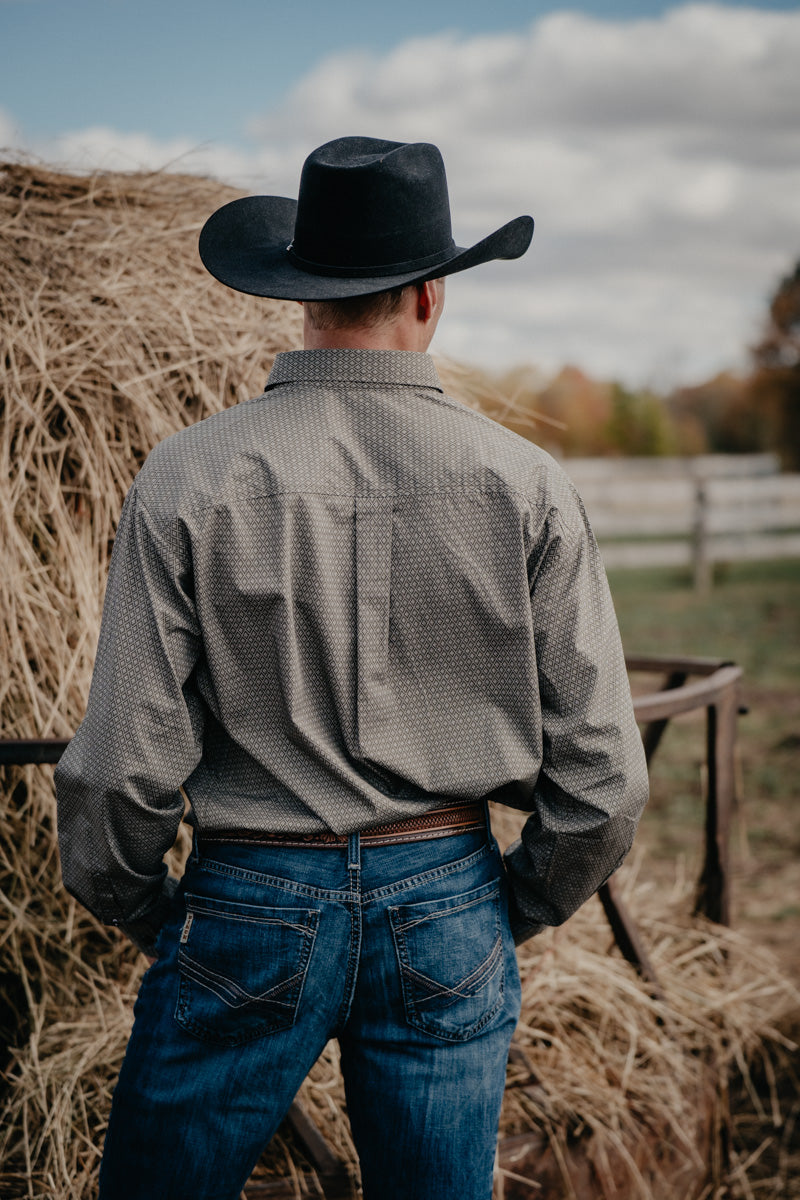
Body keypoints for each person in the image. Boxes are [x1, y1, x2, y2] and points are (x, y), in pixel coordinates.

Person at [55, 136, 648, 1200]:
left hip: (244, 892)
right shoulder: (524, 483)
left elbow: (116, 771)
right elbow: (605, 779)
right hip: (449, 894)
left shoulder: (188, 474)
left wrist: (153, 910)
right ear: (429, 296)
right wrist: (506, 905)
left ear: (300, 295)